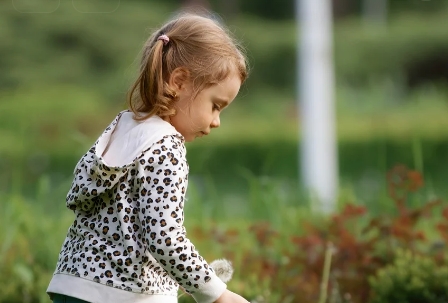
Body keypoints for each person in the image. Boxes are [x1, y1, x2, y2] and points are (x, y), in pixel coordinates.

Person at [46, 12, 249, 303]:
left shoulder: (123, 128)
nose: (216, 121)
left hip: (72, 283)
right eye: (215, 105)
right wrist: (216, 294)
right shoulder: (167, 147)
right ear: (179, 82)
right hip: (125, 294)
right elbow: (164, 238)